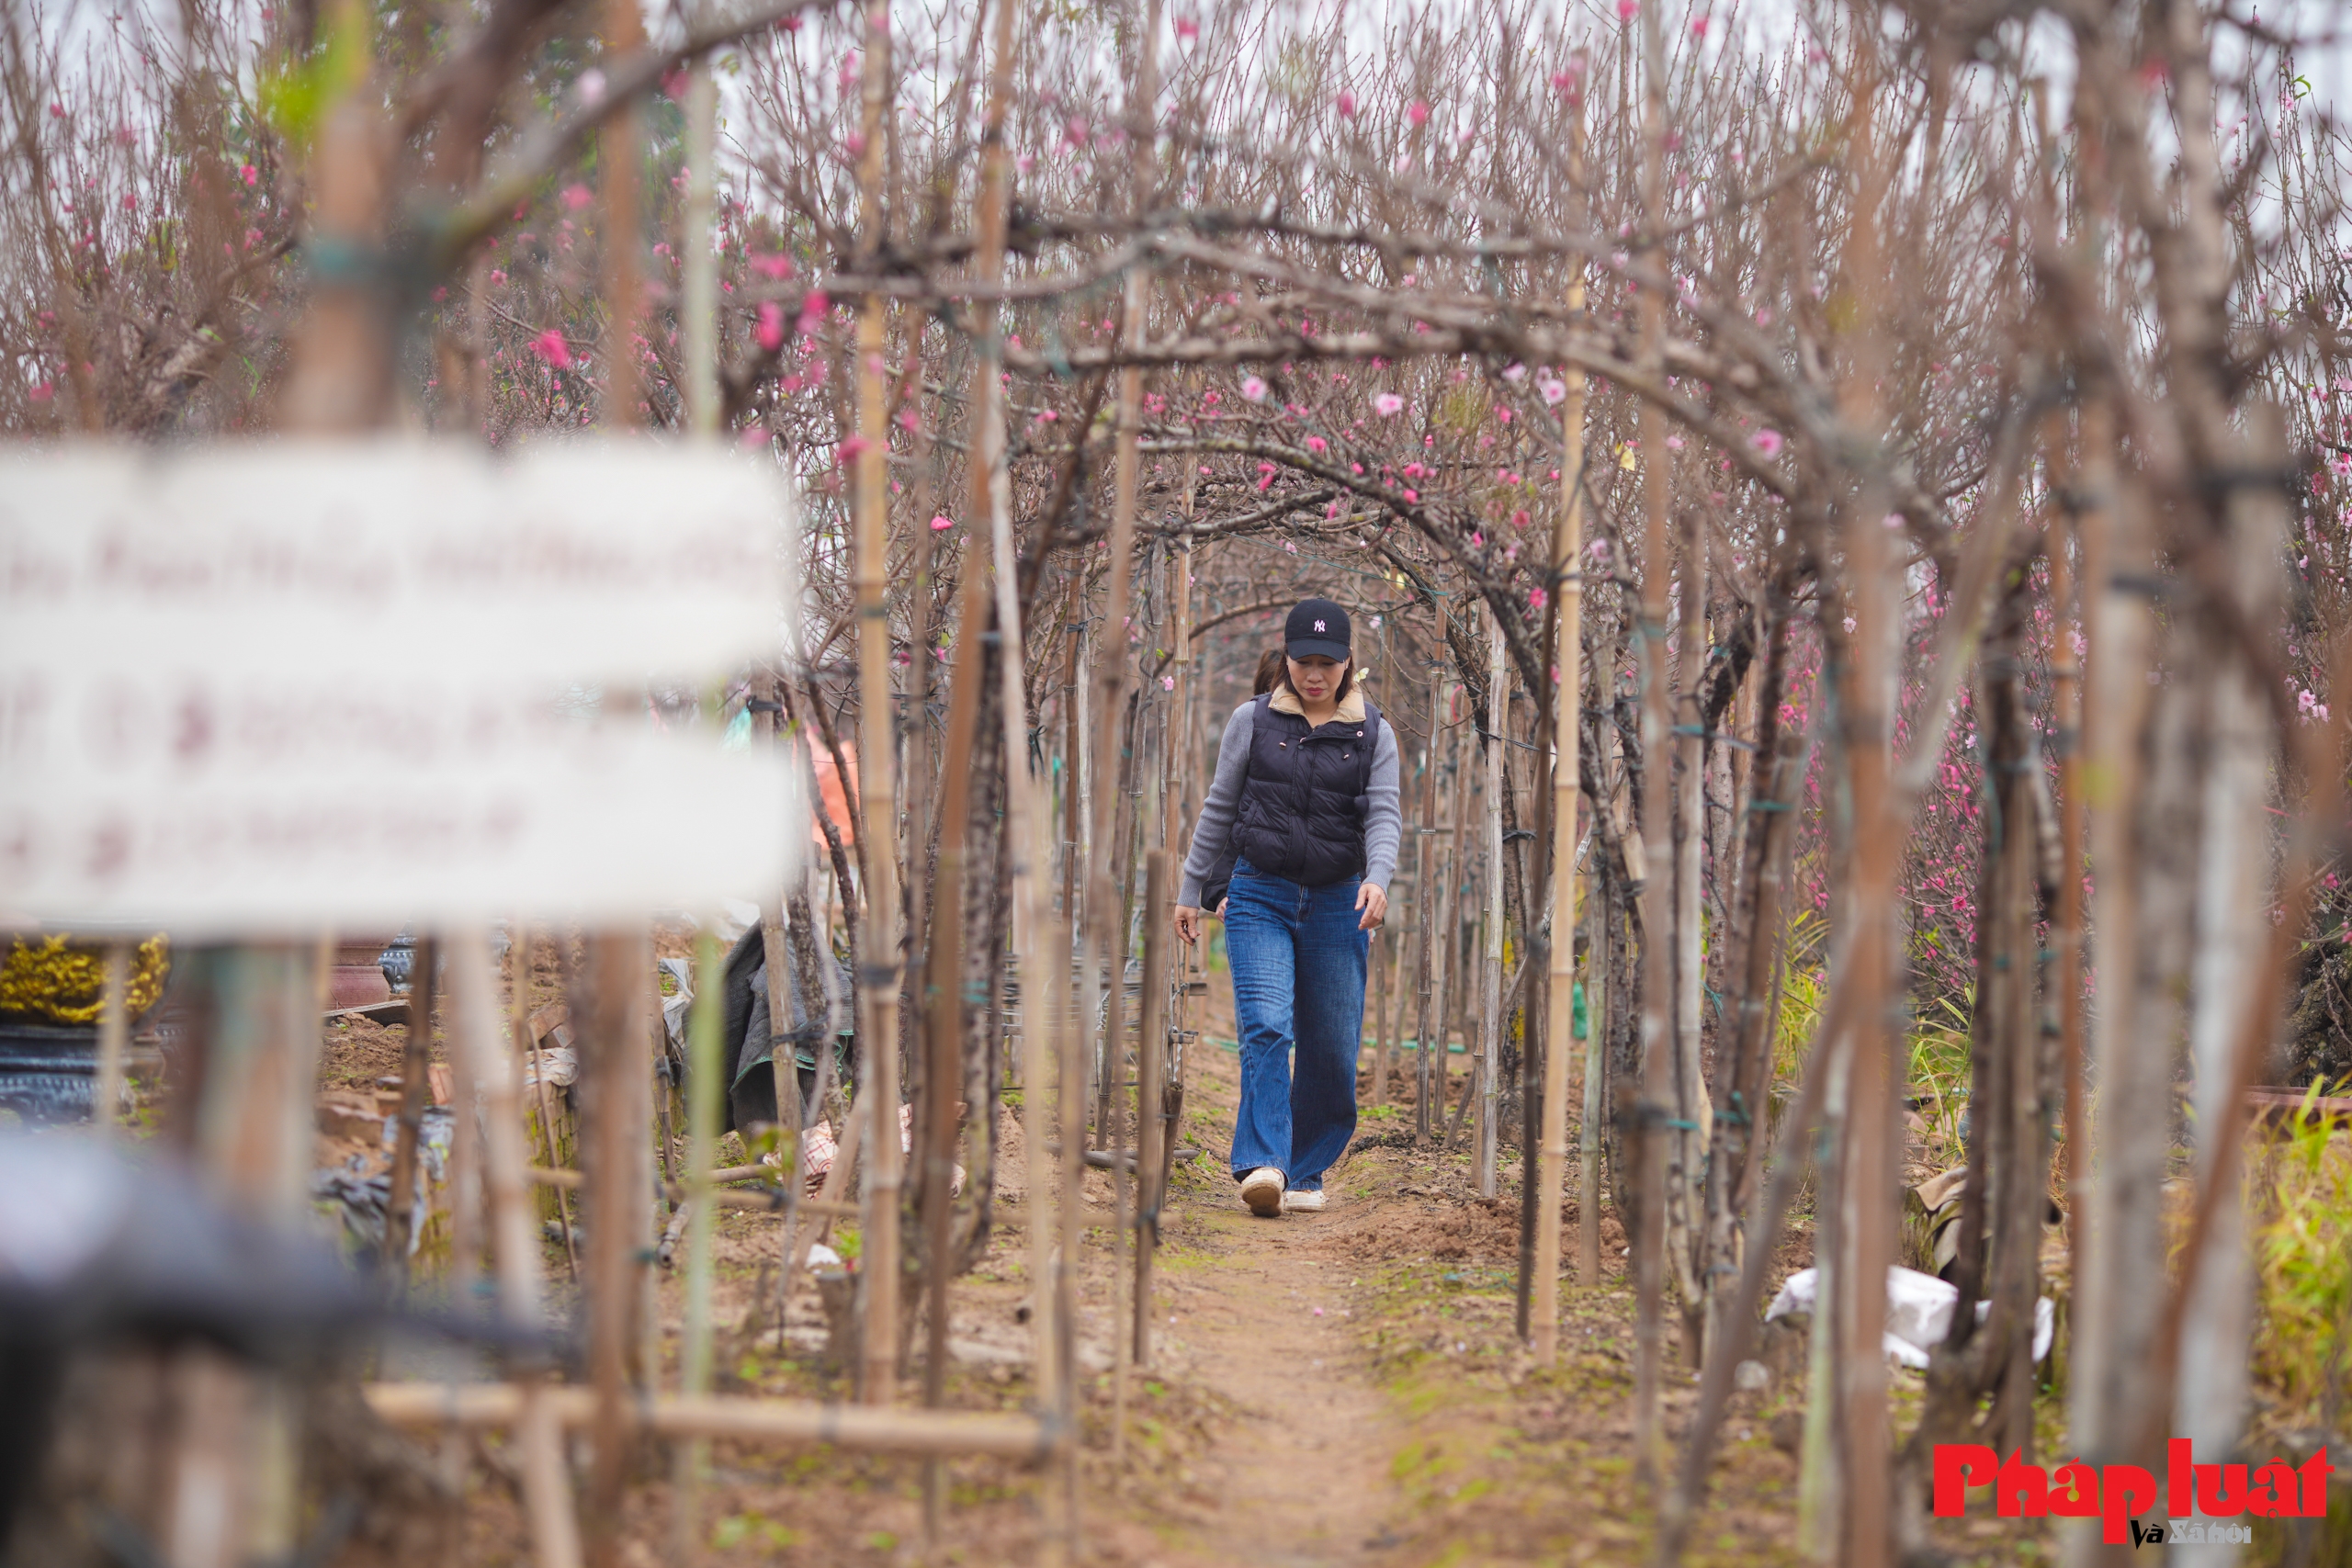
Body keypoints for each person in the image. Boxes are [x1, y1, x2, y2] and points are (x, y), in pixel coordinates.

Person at [1173, 598, 1402, 1216]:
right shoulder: (1252, 720)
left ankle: (1305, 1167)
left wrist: (1378, 878)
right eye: (1304, 660)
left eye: (1328, 662)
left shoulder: (1373, 731)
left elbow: (1385, 815)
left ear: (1349, 661)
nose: (1315, 674)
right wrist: (1191, 889)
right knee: (1268, 1023)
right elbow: (1219, 808)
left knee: (1330, 1043)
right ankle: (1263, 1163)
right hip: (1259, 892)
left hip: (1336, 901)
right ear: (1288, 657)